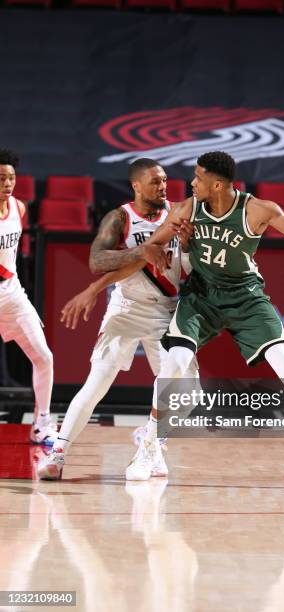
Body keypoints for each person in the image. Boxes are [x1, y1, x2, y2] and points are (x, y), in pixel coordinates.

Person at [131, 151, 284, 489]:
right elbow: (150, 249)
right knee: (175, 363)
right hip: (202, 297)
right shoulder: (185, 210)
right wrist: (178, 245)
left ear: (219, 184)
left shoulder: (257, 210)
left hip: (245, 297)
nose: (192, 182)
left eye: (199, 177)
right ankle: (147, 450)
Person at [38, 158, 197, 480]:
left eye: (164, 180)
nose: (162, 186)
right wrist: (140, 252)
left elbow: (192, 262)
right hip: (127, 307)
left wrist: (191, 243)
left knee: (188, 395)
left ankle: (150, 441)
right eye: (154, 181)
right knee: (97, 382)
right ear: (136, 185)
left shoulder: (179, 213)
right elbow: (97, 260)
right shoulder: (120, 218)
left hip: (168, 310)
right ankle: (58, 454)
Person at [0, 149, 56, 445]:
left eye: (11, 178)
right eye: (1, 178)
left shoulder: (19, 208)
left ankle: (41, 424)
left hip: (11, 292)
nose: (7, 183)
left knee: (43, 356)